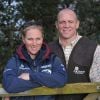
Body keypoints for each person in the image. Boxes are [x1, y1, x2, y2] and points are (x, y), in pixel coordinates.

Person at [2, 20, 67, 100]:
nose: (34, 43)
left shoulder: (52, 59)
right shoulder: (15, 61)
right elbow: (9, 84)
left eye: (38, 39)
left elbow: (61, 79)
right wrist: (46, 81)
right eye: (30, 39)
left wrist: (30, 76)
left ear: (42, 38)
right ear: (23, 39)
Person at [49, 8, 100, 100]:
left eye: (70, 22)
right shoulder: (47, 50)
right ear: (57, 25)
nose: (66, 25)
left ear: (77, 24)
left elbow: (98, 85)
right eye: (62, 22)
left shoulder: (94, 49)